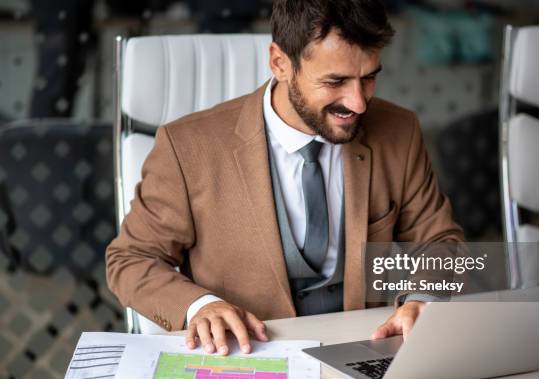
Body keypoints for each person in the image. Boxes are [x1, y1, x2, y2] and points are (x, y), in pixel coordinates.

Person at [106, 0, 463, 356]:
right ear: (279, 63)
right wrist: (199, 306)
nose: (358, 103)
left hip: (362, 352)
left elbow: (438, 239)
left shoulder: (399, 130)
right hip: (243, 357)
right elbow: (131, 259)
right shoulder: (186, 146)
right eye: (335, 81)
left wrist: (423, 298)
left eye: (369, 77)